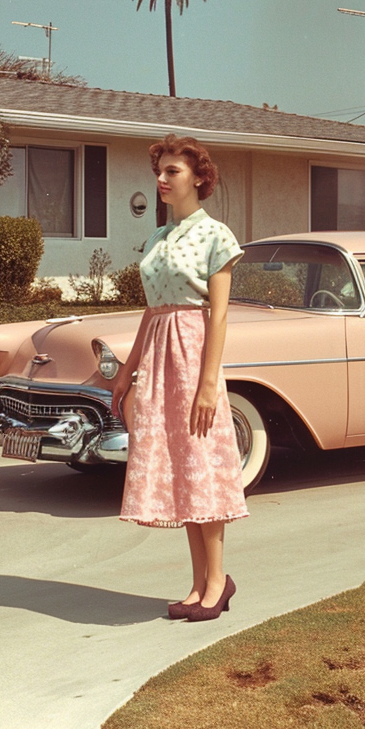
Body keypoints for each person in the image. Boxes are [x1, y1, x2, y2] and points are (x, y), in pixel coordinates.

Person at [112, 134, 248, 622]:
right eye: (160, 171)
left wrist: (209, 384)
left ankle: (218, 582)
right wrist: (127, 372)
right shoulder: (156, 238)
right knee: (182, 470)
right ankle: (197, 585)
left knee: (201, 467)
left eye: (173, 172)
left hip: (194, 356)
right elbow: (153, 312)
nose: (162, 179)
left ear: (198, 178)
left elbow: (220, 314)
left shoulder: (216, 235)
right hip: (159, 359)